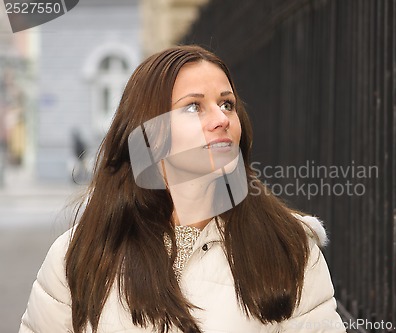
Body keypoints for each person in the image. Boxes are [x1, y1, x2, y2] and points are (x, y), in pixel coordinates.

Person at [19, 45, 347, 333]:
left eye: (227, 104)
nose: (221, 119)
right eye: (194, 106)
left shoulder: (288, 248)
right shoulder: (79, 254)